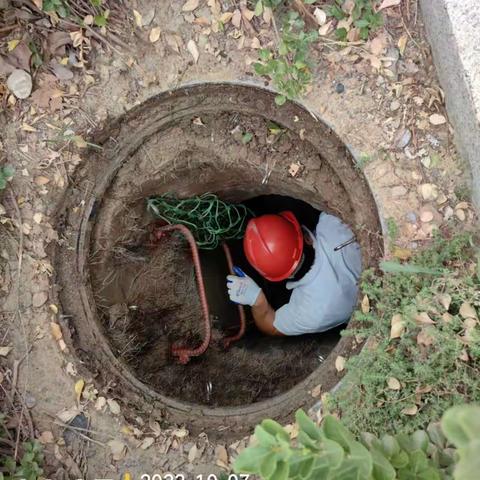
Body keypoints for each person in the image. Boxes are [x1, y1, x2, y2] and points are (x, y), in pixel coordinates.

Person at [226, 211, 362, 336]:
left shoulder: (311, 312)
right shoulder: (332, 221)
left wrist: (256, 300)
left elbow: (271, 327)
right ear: (306, 238)